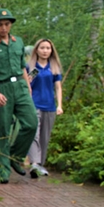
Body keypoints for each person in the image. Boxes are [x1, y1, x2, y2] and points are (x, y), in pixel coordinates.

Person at [0, 8, 38, 184]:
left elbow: (23, 67)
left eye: (6, 24)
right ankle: (2, 170)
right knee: (3, 130)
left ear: (11, 24)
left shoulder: (17, 42)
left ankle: (16, 156)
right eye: (0, 24)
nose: (3, 28)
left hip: (20, 85)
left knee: (31, 122)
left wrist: (27, 86)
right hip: (1, 86)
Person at [27, 38, 63, 178]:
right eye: (42, 48)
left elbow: (58, 87)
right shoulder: (33, 67)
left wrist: (59, 105)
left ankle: (40, 164)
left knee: (44, 136)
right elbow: (27, 84)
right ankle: (34, 163)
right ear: (37, 49)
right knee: (34, 134)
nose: (45, 51)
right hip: (34, 105)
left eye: (48, 48)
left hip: (49, 106)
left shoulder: (53, 67)